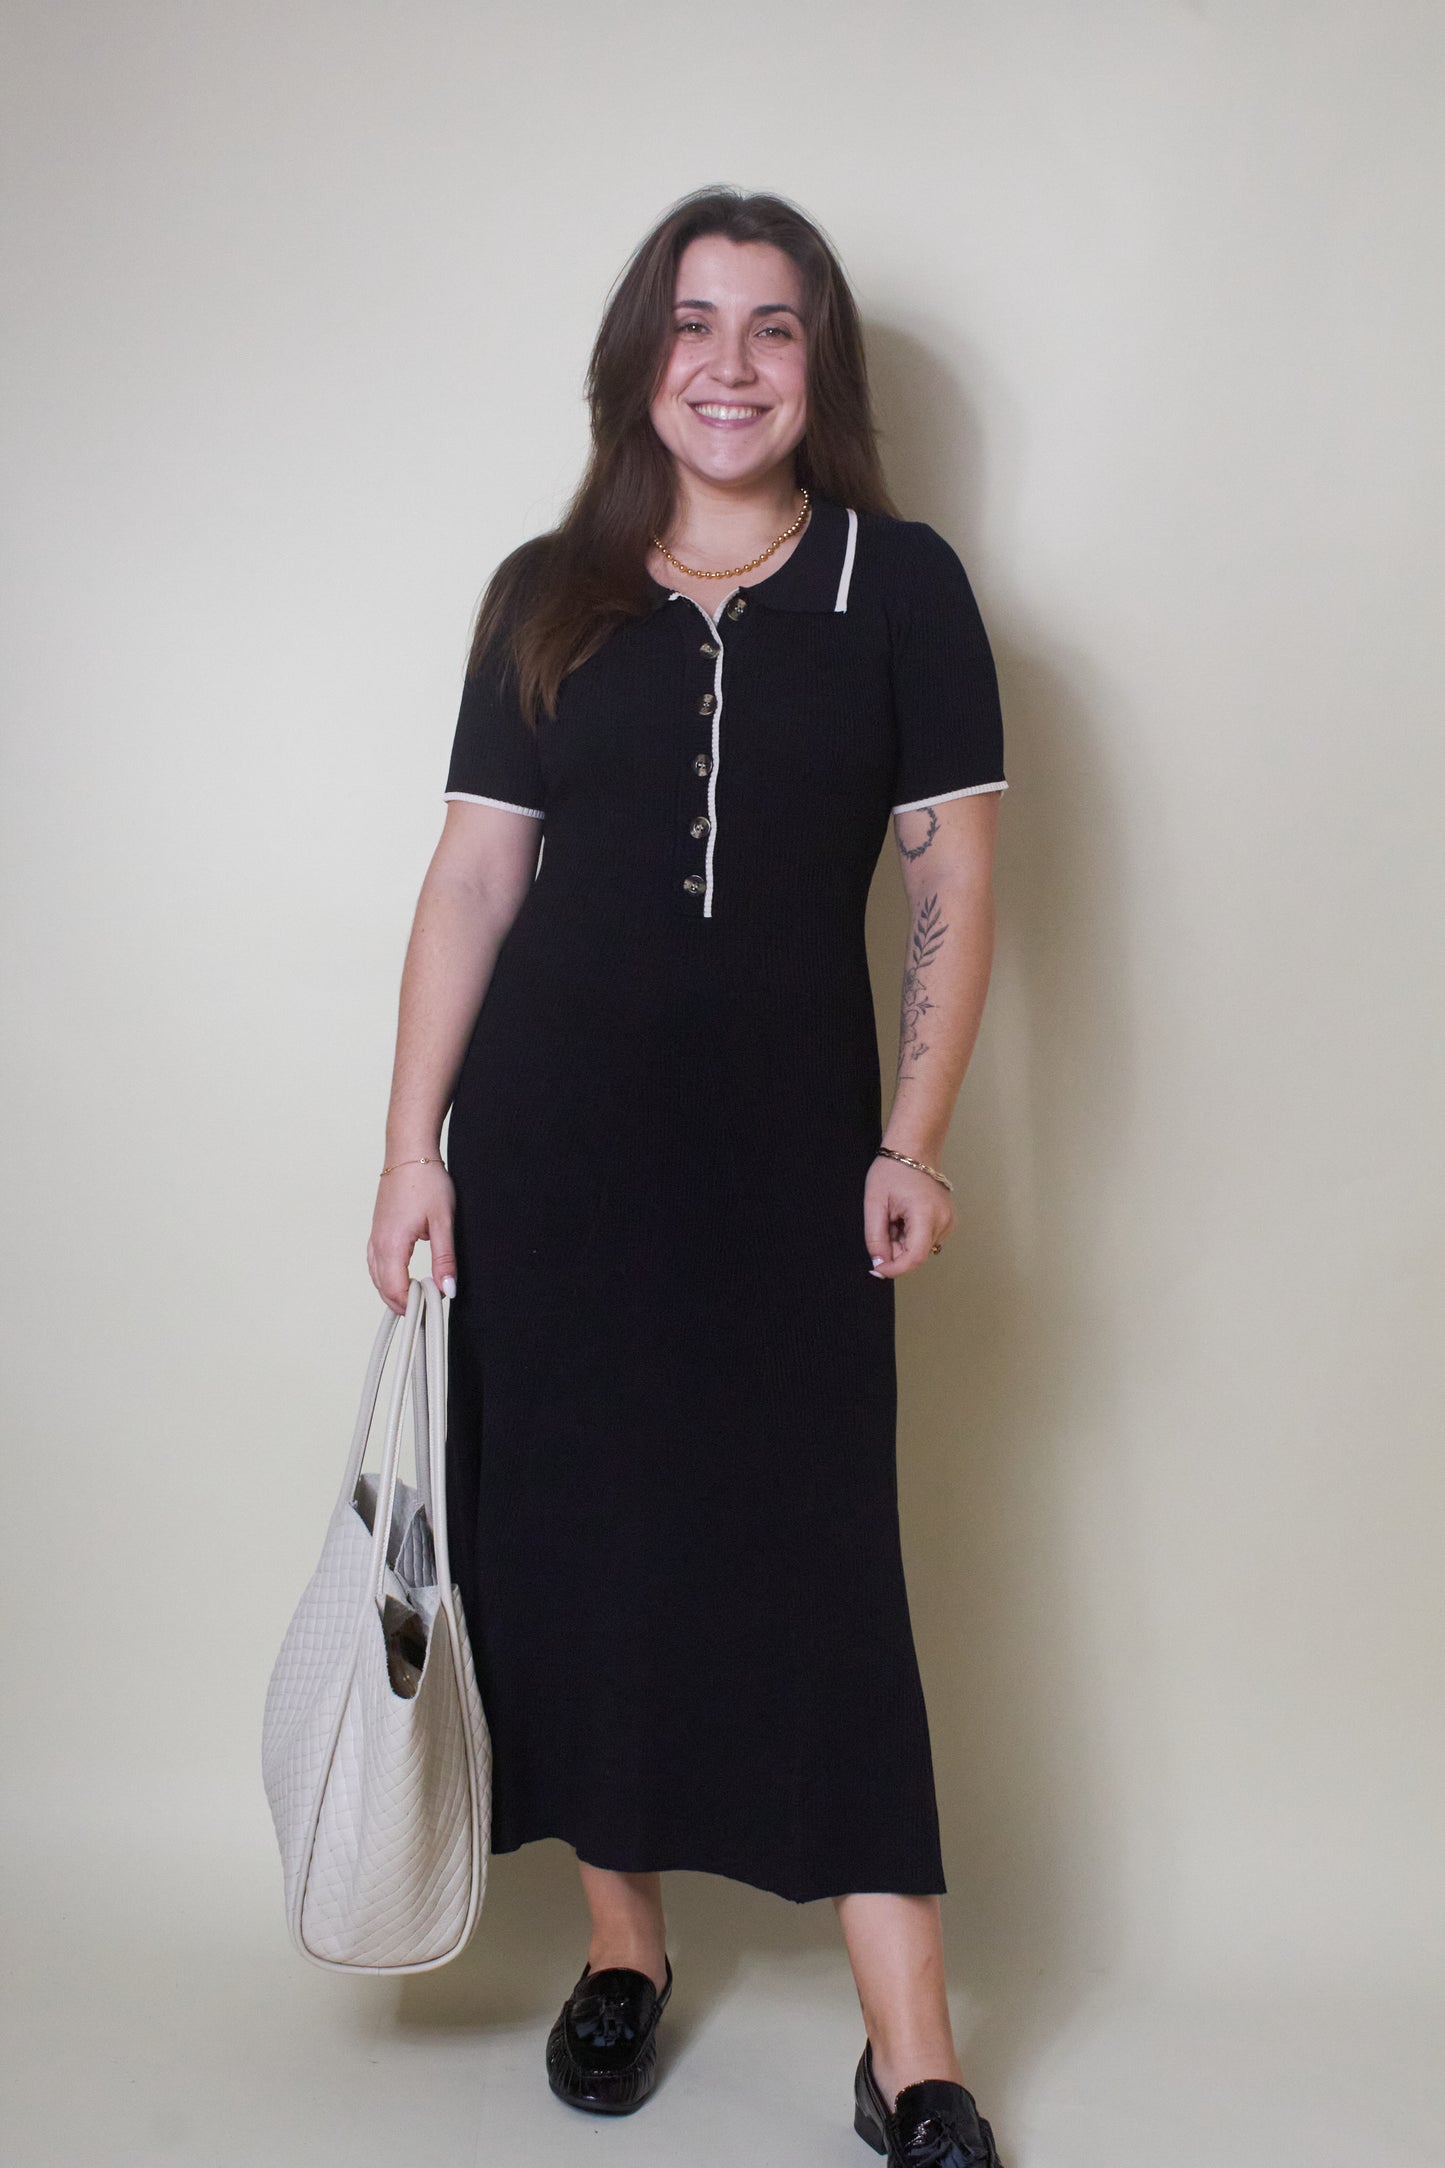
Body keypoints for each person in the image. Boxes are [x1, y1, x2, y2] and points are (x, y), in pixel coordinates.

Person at [368, 185, 1007, 2168]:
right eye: (694, 323)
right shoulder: (543, 592)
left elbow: (954, 880)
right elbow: (476, 879)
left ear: (821, 369)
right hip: (553, 1156)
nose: (728, 365)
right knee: (578, 1551)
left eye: (772, 327)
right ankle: (621, 1953)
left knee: (825, 1572)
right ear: (639, 360)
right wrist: (408, 1150)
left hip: (791, 1167)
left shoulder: (902, 588)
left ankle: (911, 2049)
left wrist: (911, 1139)